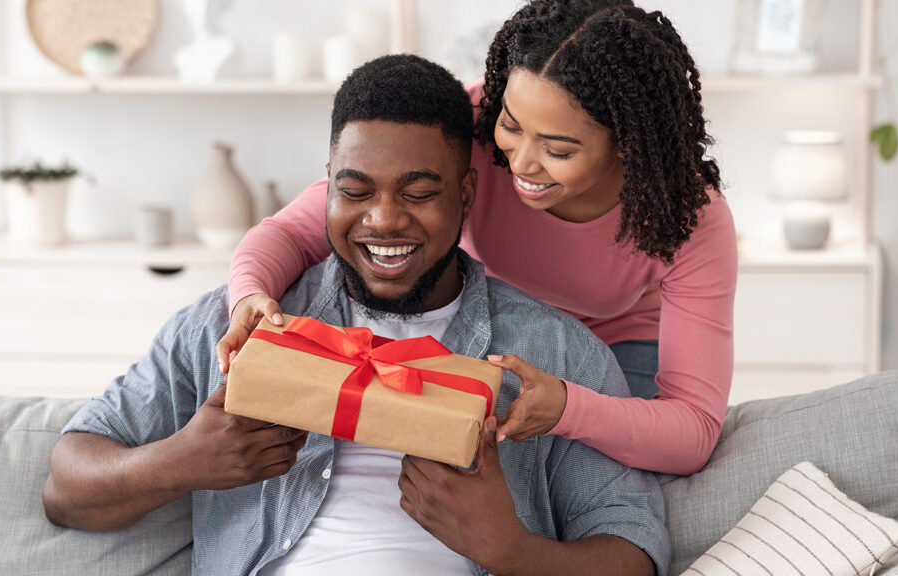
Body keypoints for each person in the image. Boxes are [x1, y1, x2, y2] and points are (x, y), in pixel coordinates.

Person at [43, 54, 669, 576]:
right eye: (356, 190)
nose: (384, 219)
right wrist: (180, 461)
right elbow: (65, 491)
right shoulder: (231, 328)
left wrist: (509, 549)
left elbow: (634, 550)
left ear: (466, 195)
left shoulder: (556, 355)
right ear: (327, 185)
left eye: (420, 193)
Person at [217, 0, 737, 476]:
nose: (520, 163)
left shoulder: (688, 216)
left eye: (558, 149)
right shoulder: (471, 125)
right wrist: (249, 295)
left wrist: (569, 408)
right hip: (493, 325)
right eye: (512, 125)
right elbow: (293, 230)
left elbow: (690, 432)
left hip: (614, 347)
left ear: (628, 144)